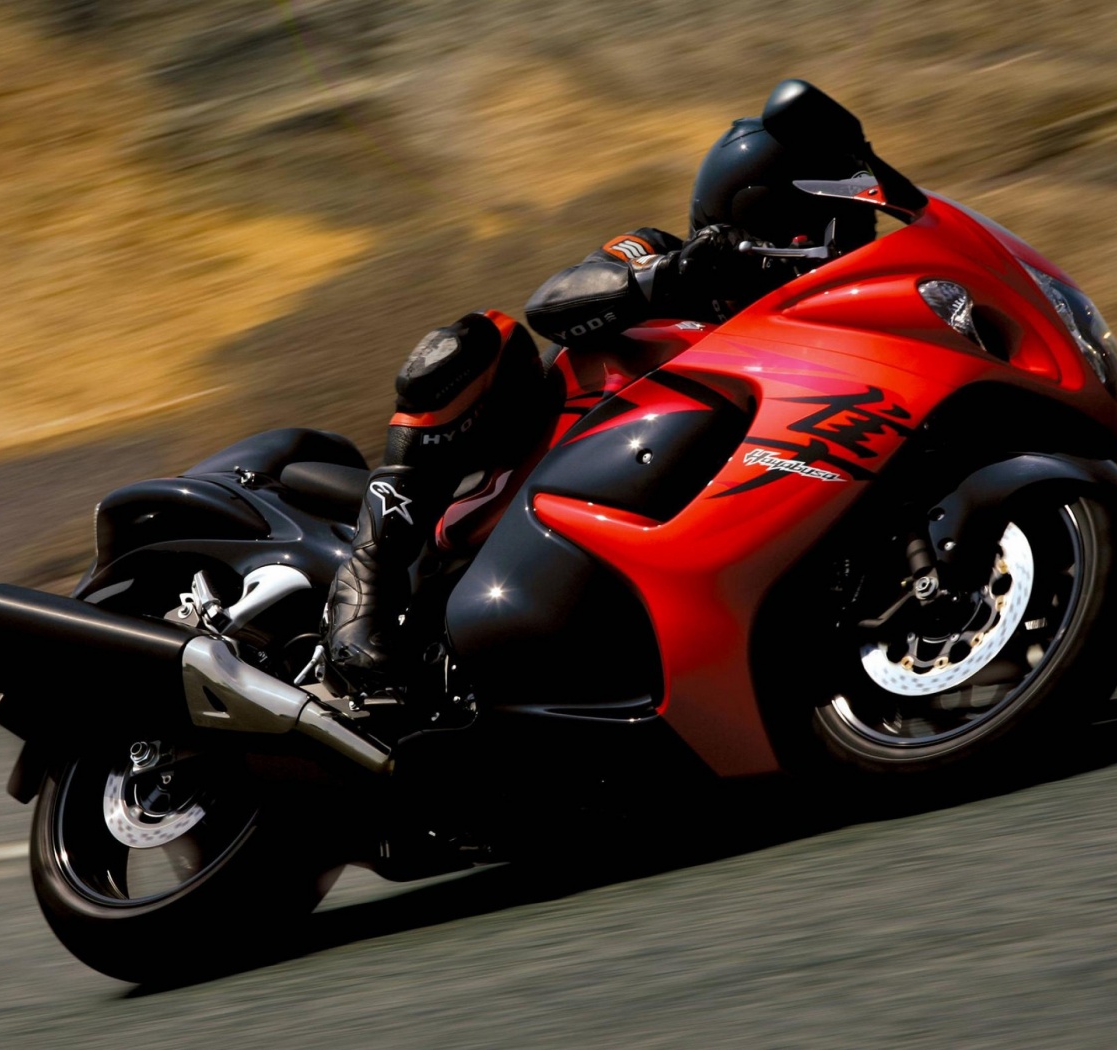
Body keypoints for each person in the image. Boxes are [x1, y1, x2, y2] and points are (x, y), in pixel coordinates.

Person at [322, 79, 890, 697]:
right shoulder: (656, 251)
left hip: (663, 528)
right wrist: (669, 277)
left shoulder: (811, 334)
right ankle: (363, 587)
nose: (838, 248)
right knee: (485, 338)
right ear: (755, 211)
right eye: (821, 230)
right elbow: (552, 303)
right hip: (524, 474)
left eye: (851, 232)